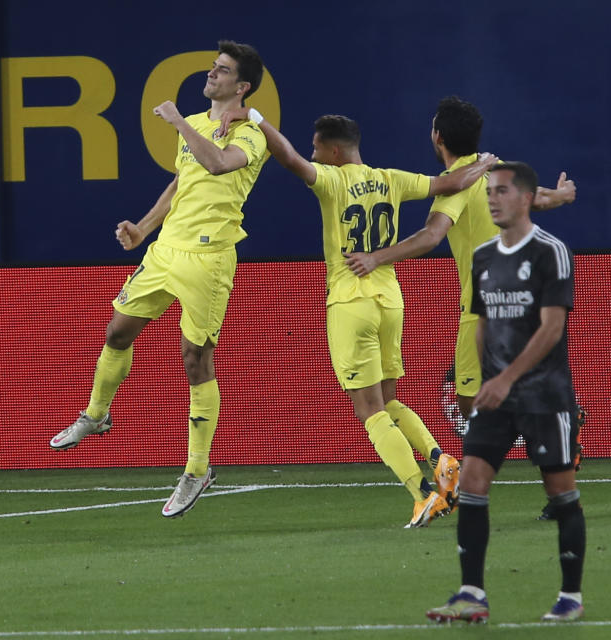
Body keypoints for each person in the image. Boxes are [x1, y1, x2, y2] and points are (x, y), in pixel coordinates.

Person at [219, 106, 497, 526]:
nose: (312, 156)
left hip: (350, 302)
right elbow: (454, 181)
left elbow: (289, 157)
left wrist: (254, 118)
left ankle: (421, 493)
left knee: (368, 410)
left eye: (317, 149)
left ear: (333, 151)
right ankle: (442, 462)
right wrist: (484, 164)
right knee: (388, 400)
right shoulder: (392, 178)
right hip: (390, 301)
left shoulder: (331, 180)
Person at [48, 40, 268, 520]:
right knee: (117, 331)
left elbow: (216, 163)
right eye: (213, 67)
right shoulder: (200, 125)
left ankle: (196, 469)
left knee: (196, 360)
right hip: (165, 252)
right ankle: (97, 414)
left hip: (208, 259)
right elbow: (183, 180)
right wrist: (143, 228)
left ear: (242, 86)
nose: (212, 74)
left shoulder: (251, 135)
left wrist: (177, 121)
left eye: (223, 70)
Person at [344, 96, 575, 426]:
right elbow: (536, 199)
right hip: (525, 293)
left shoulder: (457, 182)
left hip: (482, 303)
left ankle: (548, 416)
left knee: (468, 400)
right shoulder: (498, 170)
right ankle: (549, 412)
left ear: (438, 136)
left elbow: (431, 236)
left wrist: (374, 258)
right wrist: (563, 195)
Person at [425, 161, 586, 623]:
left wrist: (507, 377)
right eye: (489, 192)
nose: (491, 198)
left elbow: (553, 328)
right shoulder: (483, 257)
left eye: (500, 191)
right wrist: (481, 377)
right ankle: (471, 593)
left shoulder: (550, 252)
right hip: (496, 396)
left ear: (526, 198)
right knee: (472, 484)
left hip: (543, 395)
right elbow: (482, 324)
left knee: (561, 494)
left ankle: (570, 597)